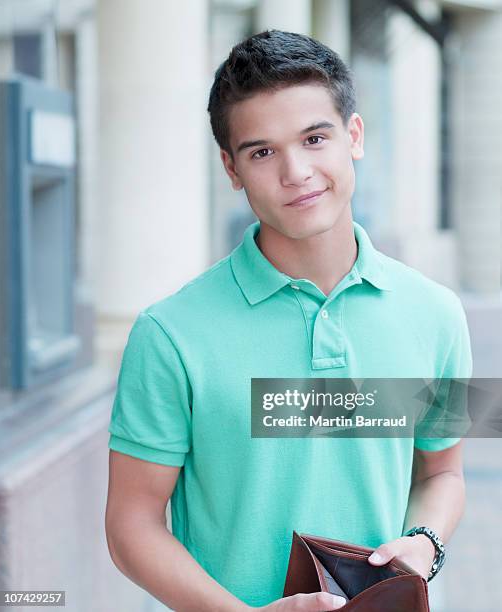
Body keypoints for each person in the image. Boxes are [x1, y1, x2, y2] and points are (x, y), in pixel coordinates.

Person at [105, 30, 472, 611]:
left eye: (314, 138)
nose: (296, 171)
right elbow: (131, 526)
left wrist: (425, 543)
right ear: (231, 168)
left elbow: (442, 474)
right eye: (262, 151)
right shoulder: (168, 334)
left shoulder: (438, 313)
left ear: (353, 136)